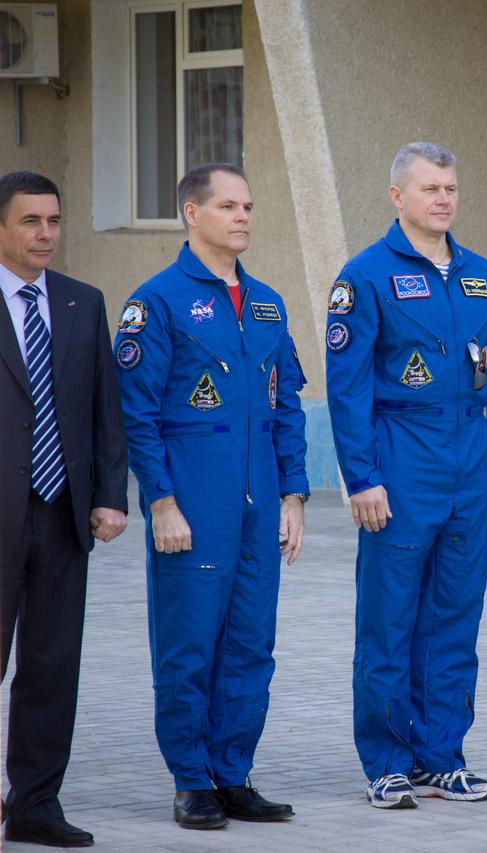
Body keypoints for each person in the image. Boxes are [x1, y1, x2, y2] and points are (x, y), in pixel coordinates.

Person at [326, 142, 487, 809]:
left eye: (450, 187)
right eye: (429, 189)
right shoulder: (366, 277)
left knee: (453, 623)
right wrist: (361, 477)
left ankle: (441, 756)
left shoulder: (480, 276)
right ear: (397, 197)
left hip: (468, 472)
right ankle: (386, 760)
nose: (443, 199)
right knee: (389, 624)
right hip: (400, 467)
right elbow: (348, 388)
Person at [114, 164, 309, 829]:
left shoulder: (266, 304)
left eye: (248, 205)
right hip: (195, 504)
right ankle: (192, 778)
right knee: (190, 643)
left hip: (259, 503)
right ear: (192, 214)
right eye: (228, 205)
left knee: (251, 643)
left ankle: (233, 772)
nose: (243, 216)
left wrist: (295, 493)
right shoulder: (158, 301)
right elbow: (135, 414)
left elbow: (288, 407)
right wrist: (160, 501)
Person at [0, 171, 128, 849]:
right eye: (30, 221)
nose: (45, 234)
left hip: (61, 515)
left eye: (53, 220)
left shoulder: (83, 302)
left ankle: (35, 804)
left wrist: (110, 496)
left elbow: (105, 408)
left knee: (52, 664)